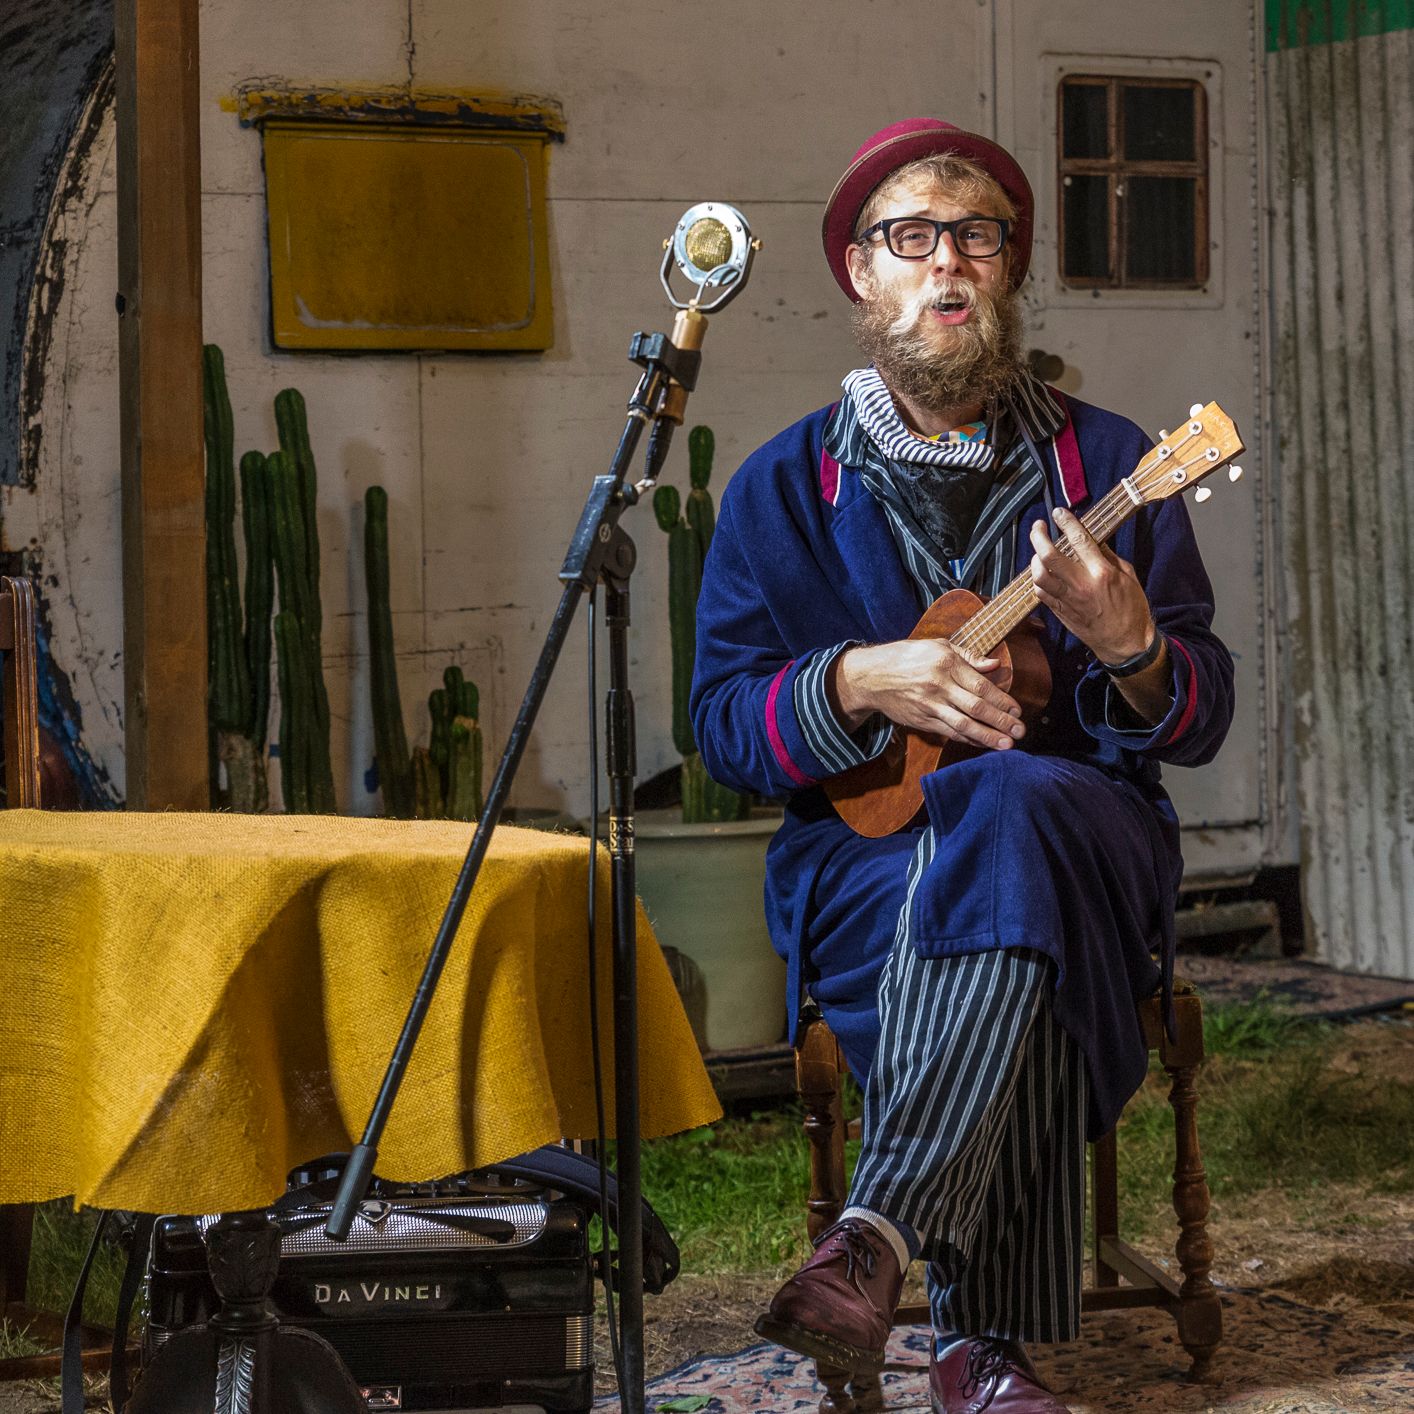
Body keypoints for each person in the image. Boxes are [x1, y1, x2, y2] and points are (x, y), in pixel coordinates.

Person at [689, 119, 1235, 1414]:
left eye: (976, 235)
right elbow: (719, 725)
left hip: (1088, 835)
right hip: (867, 861)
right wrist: (852, 679)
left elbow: (1199, 713)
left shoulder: (1111, 464)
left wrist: (1133, 644)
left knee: (1013, 796)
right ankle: (980, 1353)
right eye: (911, 236)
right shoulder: (784, 486)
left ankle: (874, 1233)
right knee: (1011, 928)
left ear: (1009, 268)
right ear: (860, 272)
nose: (947, 260)